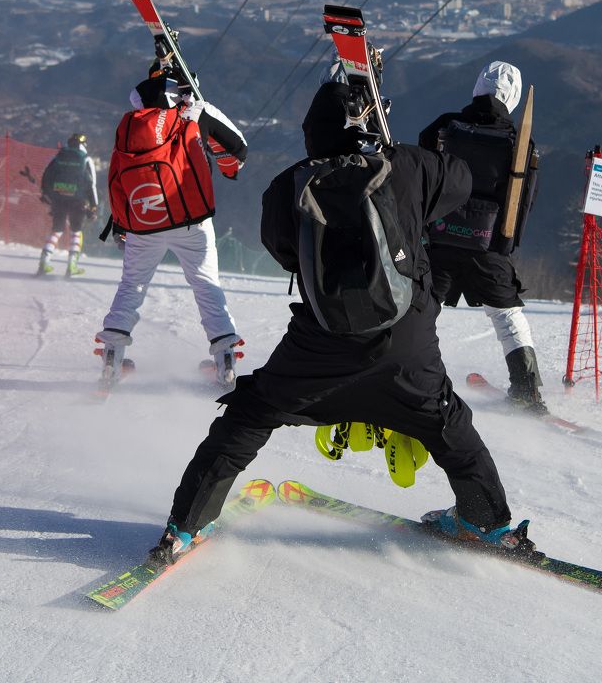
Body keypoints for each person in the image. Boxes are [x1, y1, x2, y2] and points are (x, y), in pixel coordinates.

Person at [149, 79, 532, 565]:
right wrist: (396, 155)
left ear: (313, 132)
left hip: (318, 353)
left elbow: (285, 252)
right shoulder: (409, 168)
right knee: (448, 423)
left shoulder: (287, 185)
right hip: (404, 351)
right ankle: (490, 523)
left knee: (247, 417)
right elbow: (459, 179)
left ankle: (185, 527)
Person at [95, 72, 248, 388]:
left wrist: (123, 225)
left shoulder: (128, 130)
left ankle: (113, 353)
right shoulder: (192, 113)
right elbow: (239, 148)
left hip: (143, 222)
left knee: (133, 284)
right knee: (206, 284)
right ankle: (224, 359)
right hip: (192, 219)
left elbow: (114, 180)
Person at [417, 61, 545, 411]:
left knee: (420, 311)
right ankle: (526, 389)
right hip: (487, 247)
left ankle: (404, 375)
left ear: (477, 89)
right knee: (507, 316)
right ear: (513, 97)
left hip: (438, 241)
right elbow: (522, 205)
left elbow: (420, 177)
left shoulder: (444, 127)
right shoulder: (520, 143)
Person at [36, 132, 98, 277]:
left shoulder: (58, 157)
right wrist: (94, 205)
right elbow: (91, 185)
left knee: (57, 229)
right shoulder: (86, 159)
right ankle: (72, 266)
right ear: (84, 145)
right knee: (76, 231)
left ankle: (44, 262)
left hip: (58, 198)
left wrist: (47, 195)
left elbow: (46, 177)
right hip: (78, 200)